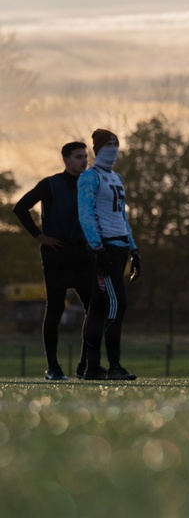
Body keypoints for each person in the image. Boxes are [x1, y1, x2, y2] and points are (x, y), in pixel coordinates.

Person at [11, 141, 96, 380]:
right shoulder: (50, 184)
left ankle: (85, 365)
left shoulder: (89, 185)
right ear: (66, 160)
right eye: (78, 157)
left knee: (94, 308)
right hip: (57, 254)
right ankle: (53, 368)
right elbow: (20, 208)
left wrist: (93, 238)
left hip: (83, 254)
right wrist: (40, 236)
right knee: (56, 308)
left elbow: (95, 213)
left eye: (85, 157)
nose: (83, 161)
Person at [77, 129, 140, 381]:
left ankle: (92, 367)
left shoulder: (117, 177)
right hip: (105, 249)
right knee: (117, 303)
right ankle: (114, 365)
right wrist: (97, 247)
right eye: (108, 144)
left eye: (116, 143)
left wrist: (133, 248)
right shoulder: (90, 177)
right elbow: (85, 213)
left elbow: (121, 215)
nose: (113, 148)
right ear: (97, 148)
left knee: (98, 307)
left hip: (120, 246)